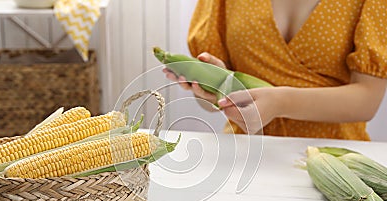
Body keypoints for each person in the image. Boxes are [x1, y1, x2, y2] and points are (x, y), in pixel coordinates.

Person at [163, 0, 387, 140]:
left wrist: (281, 102)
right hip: (245, 155)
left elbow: (367, 100)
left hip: (336, 163)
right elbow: (210, 105)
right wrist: (218, 84)